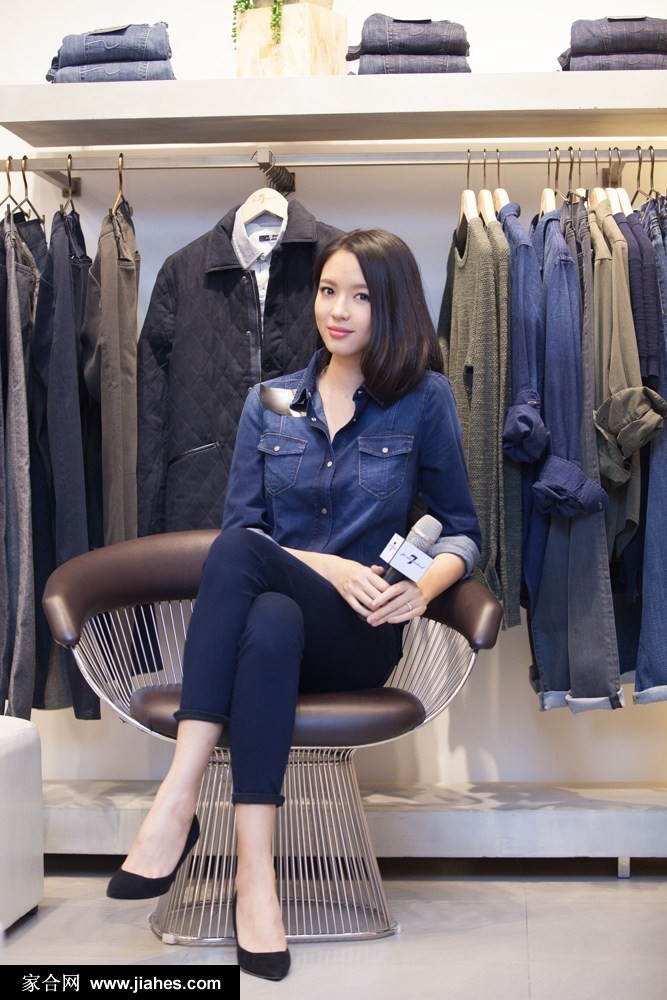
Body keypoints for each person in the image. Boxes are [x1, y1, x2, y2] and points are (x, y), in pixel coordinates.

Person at [106, 229, 481, 981]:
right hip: (273, 634)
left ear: (392, 305)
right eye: (327, 291)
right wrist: (326, 567)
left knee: (238, 557)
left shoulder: (422, 399)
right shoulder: (272, 400)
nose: (337, 311)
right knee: (267, 611)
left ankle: (178, 799)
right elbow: (245, 527)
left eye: (360, 297)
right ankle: (256, 883)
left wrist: (421, 587)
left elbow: (463, 529)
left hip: (358, 636)